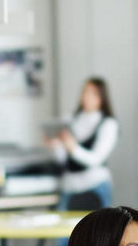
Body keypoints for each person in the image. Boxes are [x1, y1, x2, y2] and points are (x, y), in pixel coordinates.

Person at [47, 76, 119, 211]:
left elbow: (95, 159)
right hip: (70, 186)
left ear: (102, 97)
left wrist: (73, 148)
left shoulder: (108, 124)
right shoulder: (70, 119)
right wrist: (56, 145)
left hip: (94, 185)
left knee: (96, 230)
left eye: (92, 93)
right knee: (64, 231)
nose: (86, 97)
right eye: (85, 92)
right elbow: (62, 159)